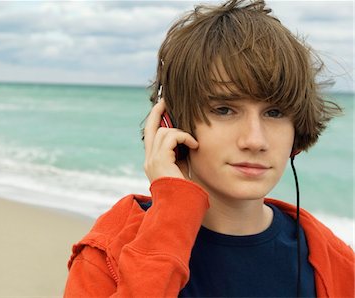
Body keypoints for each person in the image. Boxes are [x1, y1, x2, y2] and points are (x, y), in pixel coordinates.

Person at [64, 0, 354, 296]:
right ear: (171, 123)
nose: (255, 140)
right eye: (225, 109)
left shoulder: (333, 262)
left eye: (275, 113)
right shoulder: (107, 255)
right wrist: (171, 213)